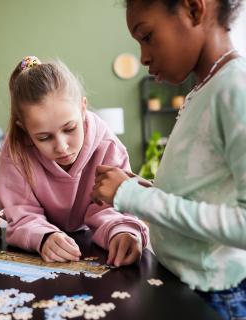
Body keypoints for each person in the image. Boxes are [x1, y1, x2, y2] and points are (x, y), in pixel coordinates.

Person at [91, 0, 246, 318]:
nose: (144, 56)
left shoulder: (235, 88)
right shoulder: (203, 90)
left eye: (147, 36)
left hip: (216, 295)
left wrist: (134, 197)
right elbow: (205, 191)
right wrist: (143, 188)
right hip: (183, 283)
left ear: (193, 9)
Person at [0, 56, 149, 265]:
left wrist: (122, 232)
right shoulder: (15, 152)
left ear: (83, 108)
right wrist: (44, 237)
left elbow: (113, 208)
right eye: (43, 137)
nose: (61, 146)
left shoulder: (108, 146)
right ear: (24, 129)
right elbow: (20, 213)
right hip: (44, 249)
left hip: (91, 240)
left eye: (69, 129)